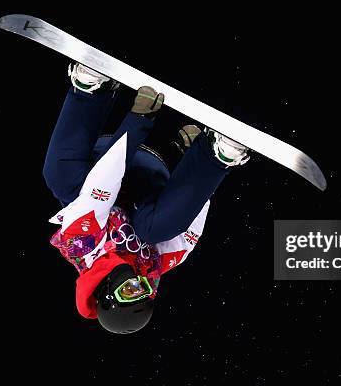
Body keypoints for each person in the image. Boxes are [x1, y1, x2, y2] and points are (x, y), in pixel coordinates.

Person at [43, 63, 250, 334]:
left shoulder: (81, 243)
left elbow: (102, 186)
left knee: (59, 178)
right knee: (155, 230)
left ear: (107, 293)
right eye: (142, 290)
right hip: (151, 177)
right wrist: (207, 162)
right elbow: (189, 228)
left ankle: (90, 91)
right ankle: (214, 152)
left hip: (107, 158)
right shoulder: (154, 264)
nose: (137, 283)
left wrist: (138, 120)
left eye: (128, 291)